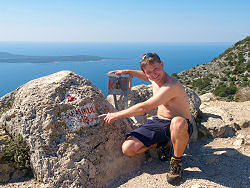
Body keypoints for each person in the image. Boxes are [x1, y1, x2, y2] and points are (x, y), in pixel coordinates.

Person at [99, 53, 193, 185]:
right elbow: (145, 76)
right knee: (128, 149)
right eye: (149, 72)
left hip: (181, 125)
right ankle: (163, 143)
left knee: (177, 122)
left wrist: (116, 114)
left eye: (156, 69)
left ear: (162, 64)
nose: (154, 74)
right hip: (160, 122)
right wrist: (127, 72)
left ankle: (176, 161)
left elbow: (144, 108)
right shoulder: (154, 78)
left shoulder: (171, 85)